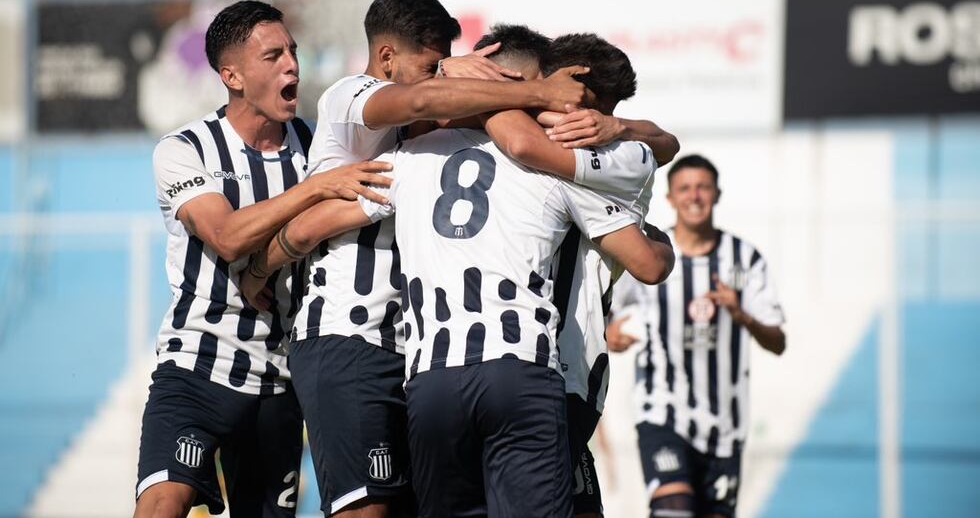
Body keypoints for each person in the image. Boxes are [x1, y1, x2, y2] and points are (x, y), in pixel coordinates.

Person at [242, 100, 674, 518]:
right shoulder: (558, 162)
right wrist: (660, 237)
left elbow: (308, 228)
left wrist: (259, 269)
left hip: (436, 378)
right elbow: (650, 256)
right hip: (537, 373)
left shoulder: (414, 158)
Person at [260, 0, 593, 518]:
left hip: (412, 353)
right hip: (347, 337)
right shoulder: (349, 97)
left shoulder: (419, 147)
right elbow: (417, 102)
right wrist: (537, 92)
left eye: (445, 67)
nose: (442, 80)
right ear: (387, 57)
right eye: (431, 66)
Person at [134, 0, 393, 518]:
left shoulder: (317, 146)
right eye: (273, 56)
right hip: (198, 364)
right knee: (163, 506)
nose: (292, 66)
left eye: (293, 52)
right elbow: (227, 237)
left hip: (281, 380)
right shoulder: (185, 149)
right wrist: (315, 188)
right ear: (231, 75)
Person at [474, 29, 678, 518]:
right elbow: (651, 257)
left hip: (542, 370)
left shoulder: (583, 151)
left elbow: (662, 143)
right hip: (543, 373)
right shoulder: (597, 152)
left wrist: (465, 84)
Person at [607, 154, 787, 518]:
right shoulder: (650, 254)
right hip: (662, 411)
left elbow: (777, 342)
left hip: (726, 426)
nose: (695, 196)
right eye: (685, 189)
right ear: (670, 198)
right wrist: (612, 334)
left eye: (703, 187)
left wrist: (741, 314)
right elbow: (605, 314)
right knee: (673, 509)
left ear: (717, 194)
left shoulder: (744, 259)